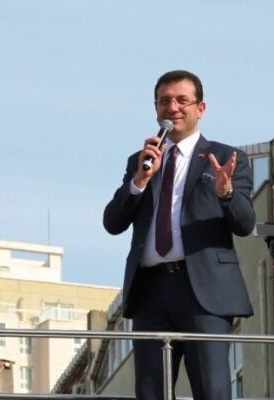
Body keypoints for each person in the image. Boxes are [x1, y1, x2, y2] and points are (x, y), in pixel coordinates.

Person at [103, 70, 256, 400]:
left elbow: (245, 225)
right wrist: (139, 182)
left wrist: (227, 193)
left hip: (204, 291)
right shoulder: (141, 161)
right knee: (150, 392)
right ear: (156, 109)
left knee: (211, 390)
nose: (172, 107)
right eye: (164, 101)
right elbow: (113, 222)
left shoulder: (225, 158)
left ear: (201, 108)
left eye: (182, 100)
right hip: (150, 292)